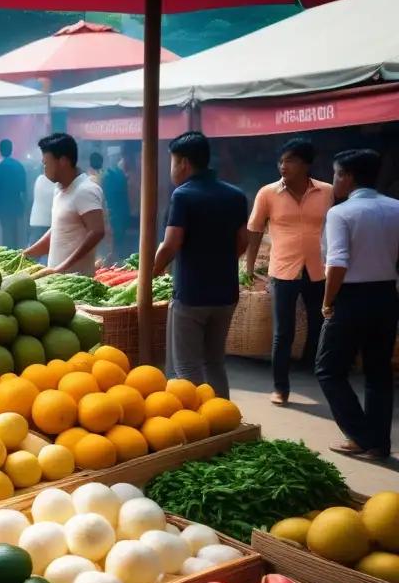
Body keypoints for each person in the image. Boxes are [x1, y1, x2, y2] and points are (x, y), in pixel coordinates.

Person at [318, 149, 399, 462]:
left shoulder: (341, 213)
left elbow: (337, 263)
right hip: (385, 296)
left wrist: (328, 301)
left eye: (337, 173)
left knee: (328, 370)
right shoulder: (395, 207)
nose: (334, 179)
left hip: (350, 297)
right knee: (378, 373)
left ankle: (364, 436)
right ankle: (377, 443)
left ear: (348, 177)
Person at [154, 132, 248, 398]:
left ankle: (201, 421)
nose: (171, 168)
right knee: (215, 361)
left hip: (192, 294)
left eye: (172, 162)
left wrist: (153, 271)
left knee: (187, 365)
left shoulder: (183, 196)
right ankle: (224, 418)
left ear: (183, 163)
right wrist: (220, 263)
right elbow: (243, 241)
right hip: (226, 293)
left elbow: (171, 244)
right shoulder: (236, 195)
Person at [246, 138, 333, 405]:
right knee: (283, 331)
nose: (283, 166)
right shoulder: (267, 193)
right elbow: (255, 230)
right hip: (283, 270)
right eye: (281, 160)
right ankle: (280, 387)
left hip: (319, 268)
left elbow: (336, 228)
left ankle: (313, 367)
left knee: (320, 322)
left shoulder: (327, 191)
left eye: (291, 160)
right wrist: (249, 264)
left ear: (306, 164)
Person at [24, 133, 105, 276]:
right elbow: (56, 231)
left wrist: (63, 267)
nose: (44, 167)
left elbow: (97, 231)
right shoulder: (59, 189)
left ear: (63, 161)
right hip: (56, 280)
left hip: (76, 281)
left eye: (46, 163)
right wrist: (25, 253)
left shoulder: (85, 190)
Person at [0, 139, 27, 249]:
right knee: (18, 234)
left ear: (0, 151)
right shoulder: (19, 166)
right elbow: (24, 188)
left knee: (6, 234)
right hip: (17, 205)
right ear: (11, 149)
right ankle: (19, 256)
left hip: (3, 207)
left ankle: (8, 257)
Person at [103, 150, 131, 260]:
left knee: (113, 244)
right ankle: (116, 261)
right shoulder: (120, 175)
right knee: (117, 244)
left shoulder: (109, 175)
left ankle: (114, 261)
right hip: (119, 214)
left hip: (114, 214)